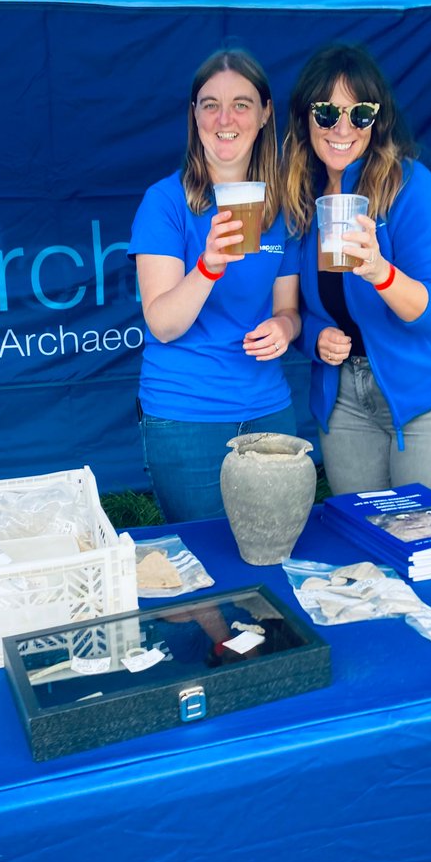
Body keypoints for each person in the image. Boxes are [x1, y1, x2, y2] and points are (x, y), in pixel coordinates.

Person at [281, 43, 431, 495]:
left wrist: (380, 272)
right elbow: (293, 307)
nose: (343, 128)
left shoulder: (410, 187)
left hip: (430, 395)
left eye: (360, 114)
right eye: (327, 113)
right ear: (305, 117)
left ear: (378, 120)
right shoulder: (299, 199)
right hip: (345, 402)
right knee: (363, 541)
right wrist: (315, 336)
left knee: (426, 542)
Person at [129, 49, 301, 524]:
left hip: (268, 405)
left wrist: (285, 328)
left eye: (241, 104)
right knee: (207, 561)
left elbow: (288, 308)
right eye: (210, 104)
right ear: (194, 115)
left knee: (274, 546)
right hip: (186, 413)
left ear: (265, 113)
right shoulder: (165, 203)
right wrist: (207, 265)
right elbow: (163, 324)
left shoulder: (282, 205)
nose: (225, 118)